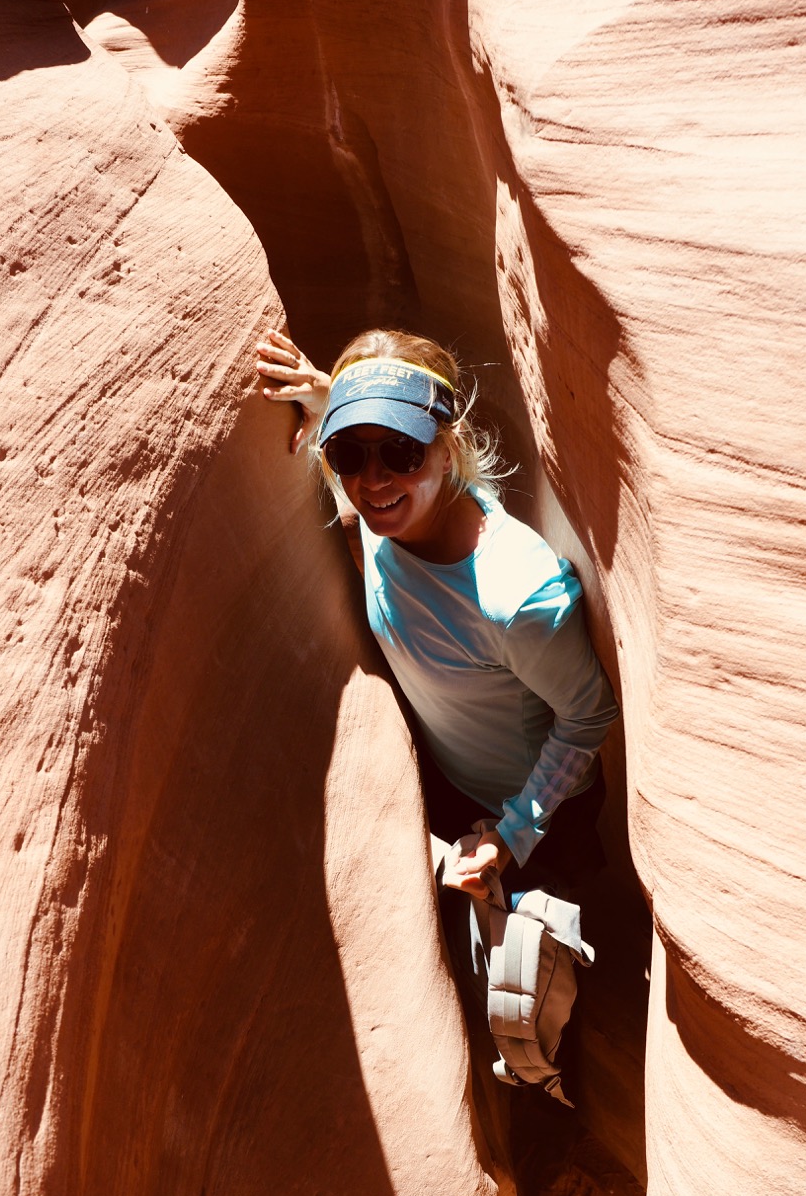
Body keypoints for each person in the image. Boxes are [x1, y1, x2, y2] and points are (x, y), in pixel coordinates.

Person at [255, 326, 619, 902]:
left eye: (402, 450)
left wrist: (512, 835)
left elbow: (588, 717)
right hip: (446, 773)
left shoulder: (516, 596)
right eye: (349, 451)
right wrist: (332, 399)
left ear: (449, 450)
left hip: (535, 815)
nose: (373, 480)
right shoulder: (388, 508)